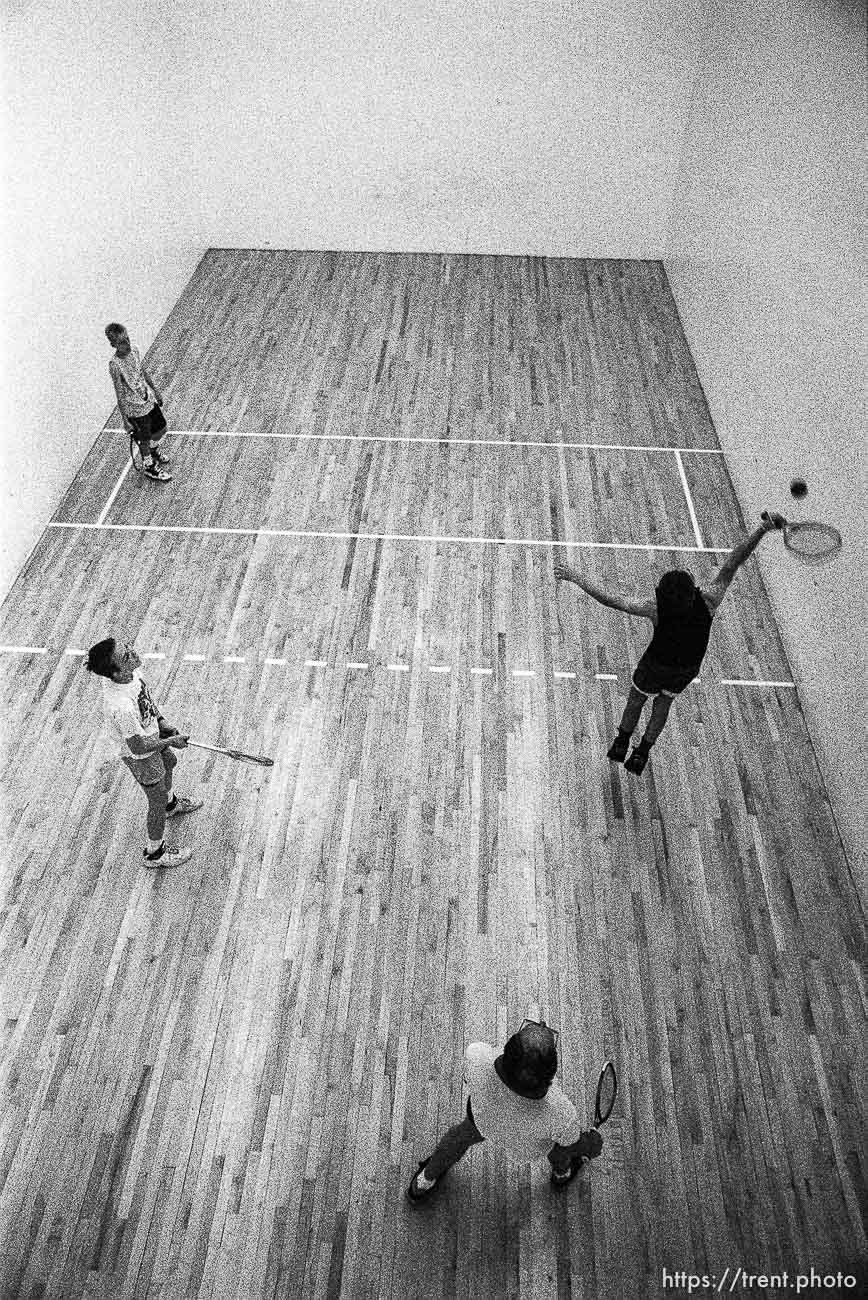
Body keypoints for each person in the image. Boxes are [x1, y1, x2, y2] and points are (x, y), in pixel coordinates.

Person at [554, 512, 786, 774]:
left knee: (636, 699)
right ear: (691, 591)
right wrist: (762, 529)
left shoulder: (655, 608)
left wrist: (576, 576)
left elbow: (610, 599)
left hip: (655, 665)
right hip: (686, 669)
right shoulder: (709, 601)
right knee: (663, 704)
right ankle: (641, 753)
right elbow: (733, 562)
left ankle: (621, 742)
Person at [407, 1020, 603, 1202]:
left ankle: (424, 1181)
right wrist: (590, 1144)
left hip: (482, 1122)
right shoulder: (561, 1113)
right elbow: (572, 1143)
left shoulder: (477, 1055)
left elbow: (469, 1080)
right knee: (560, 1148)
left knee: (459, 1136)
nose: (542, 1023)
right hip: (527, 1148)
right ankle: (562, 1174)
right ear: (549, 1075)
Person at [86, 637, 202, 868]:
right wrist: (171, 739)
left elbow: (145, 699)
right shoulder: (120, 706)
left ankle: (171, 805)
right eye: (126, 655)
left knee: (169, 761)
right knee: (155, 802)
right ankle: (155, 853)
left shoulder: (130, 674)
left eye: (127, 647)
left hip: (151, 735)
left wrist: (162, 721)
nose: (133, 652)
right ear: (116, 673)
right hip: (140, 756)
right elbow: (137, 747)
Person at [105, 322, 172, 482]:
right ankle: (149, 467)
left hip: (148, 400)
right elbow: (119, 394)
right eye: (122, 342)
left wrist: (155, 390)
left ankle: (153, 450)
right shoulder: (115, 365)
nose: (127, 344)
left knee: (161, 429)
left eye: (127, 338)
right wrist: (125, 421)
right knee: (144, 439)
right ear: (113, 344)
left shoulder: (134, 350)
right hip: (135, 410)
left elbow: (142, 371)